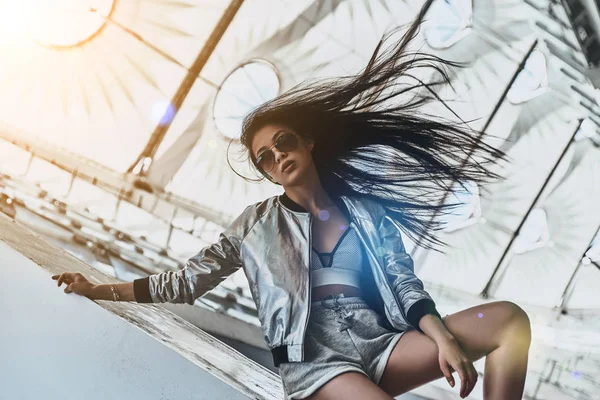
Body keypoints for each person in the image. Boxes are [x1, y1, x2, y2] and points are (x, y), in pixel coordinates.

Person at [52, 3, 532, 399]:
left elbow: (404, 285)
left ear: (307, 142)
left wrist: (443, 338)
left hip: (382, 343)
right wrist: (98, 287)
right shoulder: (253, 226)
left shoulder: (367, 212)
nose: (277, 156)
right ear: (264, 170)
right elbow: (184, 283)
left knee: (509, 321)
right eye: (265, 156)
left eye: (283, 142)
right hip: (317, 365)